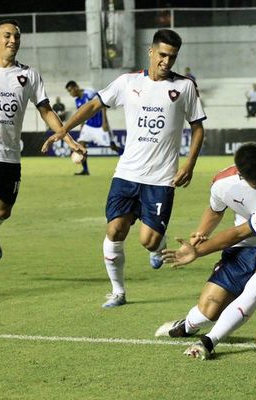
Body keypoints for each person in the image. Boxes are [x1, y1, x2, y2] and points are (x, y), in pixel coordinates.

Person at [48, 29, 206, 307]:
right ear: (151, 51)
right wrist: (64, 129)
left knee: (149, 240)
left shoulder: (184, 87)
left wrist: (189, 163)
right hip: (127, 174)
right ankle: (118, 292)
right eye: (162, 55)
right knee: (115, 231)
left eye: (172, 57)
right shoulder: (127, 82)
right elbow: (94, 104)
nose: (167, 62)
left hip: (161, 178)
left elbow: (197, 128)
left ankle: (157, 245)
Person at [154, 143, 256, 358]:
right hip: (243, 248)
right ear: (242, 176)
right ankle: (188, 325)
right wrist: (199, 236)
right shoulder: (223, 183)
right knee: (209, 310)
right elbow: (216, 211)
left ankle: (210, 340)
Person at [0, 19, 85, 261]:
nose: (13, 40)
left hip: (9, 154)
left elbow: (45, 110)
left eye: (16, 36)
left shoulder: (28, 75)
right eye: (7, 36)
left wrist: (68, 139)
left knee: (3, 211)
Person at [65, 80, 121, 175]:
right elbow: (81, 115)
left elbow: (102, 105)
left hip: (99, 125)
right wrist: (82, 128)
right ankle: (85, 170)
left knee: (112, 146)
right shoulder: (77, 100)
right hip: (88, 125)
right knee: (81, 145)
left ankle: (128, 157)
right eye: (68, 91)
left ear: (76, 88)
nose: (70, 93)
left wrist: (104, 122)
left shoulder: (89, 93)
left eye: (70, 90)